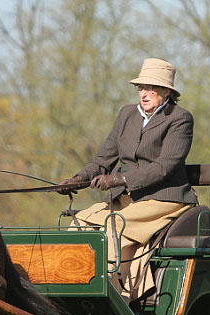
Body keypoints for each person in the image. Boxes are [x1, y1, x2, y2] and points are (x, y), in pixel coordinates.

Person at [59, 58, 196, 302]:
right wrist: (78, 178)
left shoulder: (180, 119)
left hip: (163, 199)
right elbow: (104, 158)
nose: (144, 94)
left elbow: (164, 167)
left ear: (166, 91)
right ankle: (71, 292)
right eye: (141, 88)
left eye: (151, 88)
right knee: (78, 223)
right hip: (126, 198)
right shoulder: (126, 114)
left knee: (112, 228)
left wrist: (119, 179)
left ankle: (111, 298)